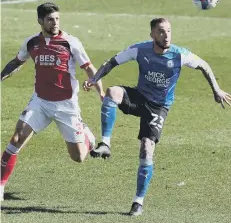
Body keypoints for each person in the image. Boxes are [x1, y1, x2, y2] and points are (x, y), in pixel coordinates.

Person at [84, 18, 231, 216]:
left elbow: (203, 65)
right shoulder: (140, 49)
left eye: (169, 31)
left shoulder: (179, 55)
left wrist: (216, 90)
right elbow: (111, 62)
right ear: (152, 35)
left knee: (146, 149)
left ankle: (138, 201)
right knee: (112, 92)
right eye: (161, 31)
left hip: (158, 107)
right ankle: (106, 144)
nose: (166, 35)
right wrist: (95, 79)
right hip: (140, 96)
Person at [1, 2, 104, 201]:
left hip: (66, 105)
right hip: (40, 102)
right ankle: (1, 185)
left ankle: (87, 136)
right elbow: (17, 62)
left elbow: (89, 68)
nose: (55, 23)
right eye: (50, 19)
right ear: (40, 21)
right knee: (16, 139)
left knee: (78, 157)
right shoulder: (31, 43)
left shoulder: (71, 42)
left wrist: (100, 91)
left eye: (57, 18)